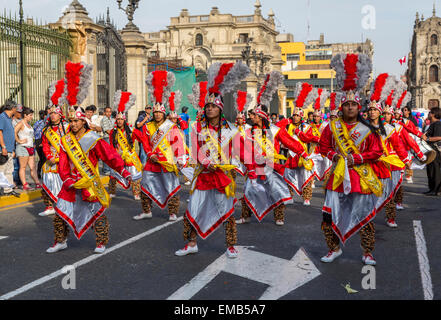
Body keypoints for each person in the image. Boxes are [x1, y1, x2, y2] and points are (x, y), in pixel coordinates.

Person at [47, 61, 131, 254]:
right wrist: (66, 179)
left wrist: (123, 171)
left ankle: (101, 242)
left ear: (84, 121)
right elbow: (62, 162)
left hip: (89, 182)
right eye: (71, 121)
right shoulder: (66, 140)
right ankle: (61, 241)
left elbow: (110, 156)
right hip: (70, 183)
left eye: (76, 120)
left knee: (97, 213)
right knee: (60, 213)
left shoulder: (93, 138)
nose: (74, 124)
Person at [175, 61, 249, 259]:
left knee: (227, 212)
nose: (209, 109)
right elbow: (195, 151)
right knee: (192, 211)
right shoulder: (197, 129)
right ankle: (191, 243)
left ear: (220, 109)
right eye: (207, 106)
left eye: (213, 106)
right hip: (203, 177)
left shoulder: (230, 131)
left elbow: (243, 151)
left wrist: (253, 164)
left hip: (222, 178)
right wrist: (201, 161)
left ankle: (231, 245)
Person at [320, 53, 383, 266]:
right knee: (329, 216)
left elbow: (377, 152)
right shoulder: (332, 127)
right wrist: (335, 155)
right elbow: (323, 147)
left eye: (353, 105)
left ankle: (367, 252)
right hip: (337, 177)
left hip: (361, 178)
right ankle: (334, 248)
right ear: (342, 107)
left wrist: (357, 158)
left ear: (359, 107)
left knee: (364, 216)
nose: (349, 108)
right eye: (346, 104)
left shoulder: (368, 129)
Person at [238, 72, 310, 226]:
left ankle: (279, 217)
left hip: (273, 167)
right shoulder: (249, 131)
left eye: (255, 116)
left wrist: (302, 152)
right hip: (255, 166)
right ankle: (246, 215)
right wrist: (249, 166)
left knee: (276, 191)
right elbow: (245, 150)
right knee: (249, 191)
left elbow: (289, 141)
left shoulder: (275, 130)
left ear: (261, 117)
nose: (252, 118)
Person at [135, 71, 187, 222]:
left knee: (171, 188)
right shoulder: (148, 126)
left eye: (159, 112)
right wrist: (150, 154)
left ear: (164, 113)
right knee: (145, 187)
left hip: (167, 162)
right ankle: (146, 210)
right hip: (152, 161)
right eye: (155, 112)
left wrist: (180, 160)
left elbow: (177, 144)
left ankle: (172, 213)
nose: (157, 114)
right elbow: (145, 142)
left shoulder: (170, 126)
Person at [283, 82, 320, 207]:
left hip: (303, 155)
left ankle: (307, 197)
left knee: (306, 177)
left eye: (297, 115)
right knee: (288, 176)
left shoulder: (306, 127)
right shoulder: (288, 126)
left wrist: (299, 133)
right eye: (293, 115)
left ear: (301, 116)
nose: (294, 117)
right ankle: (289, 196)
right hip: (291, 155)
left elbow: (309, 138)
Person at [40, 80, 70, 216]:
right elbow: (45, 145)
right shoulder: (46, 130)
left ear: (60, 114)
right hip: (50, 161)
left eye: (55, 113)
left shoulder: (68, 128)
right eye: (51, 113)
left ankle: (64, 205)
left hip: (64, 161)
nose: (52, 115)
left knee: (64, 185)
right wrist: (50, 157)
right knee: (46, 183)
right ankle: (49, 206)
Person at [108, 90, 142, 201]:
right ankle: (112, 191)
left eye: (121, 119)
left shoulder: (130, 131)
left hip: (129, 156)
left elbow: (141, 137)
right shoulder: (113, 132)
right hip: (118, 155)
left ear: (124, 120)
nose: (119, 121)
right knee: (113, 174)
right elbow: (111, 144)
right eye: (117, 119)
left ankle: (136, 193)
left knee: (135, 175)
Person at [14, 107, 41, 191]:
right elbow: (14, 131)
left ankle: (37, 183)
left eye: (32, 115)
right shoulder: (21, 123)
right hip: (22, 147)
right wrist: (19, 140)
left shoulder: (29, 124)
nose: (31, 117)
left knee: (33, 167)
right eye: (30, 115)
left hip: (30, 147)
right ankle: (25, 184)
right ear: (25, 115)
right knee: (23, 167)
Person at [0, 100, 19, 197]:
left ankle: (8, 189)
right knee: (2, 170)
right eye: (16, 108)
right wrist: (3, 147)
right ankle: (3, 190)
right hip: (4, 149)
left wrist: (12, 150)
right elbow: (0, 132)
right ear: (13, 108)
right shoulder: (2, 117)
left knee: (9, 170)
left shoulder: (8, 118)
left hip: (10, 150)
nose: (16, 110)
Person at [422, 107, 441, 196]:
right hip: (430, 150)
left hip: (435, 151)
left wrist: (427, 138)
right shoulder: (433, 124)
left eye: (430, 112)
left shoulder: (437, 124)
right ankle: (432, 188)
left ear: (433, 114)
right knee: (430, 170)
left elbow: (439, 137)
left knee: (435, 170)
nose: (428, 114)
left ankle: (436, 190)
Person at [100, 106, 115, 176]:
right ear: (104, 112)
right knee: (107, 154)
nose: (108, 113)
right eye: (107, 112)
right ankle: (106, 170)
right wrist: (114, 134)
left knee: (110, 154)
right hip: (106, 138)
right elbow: (108, 130)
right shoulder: (104, 119)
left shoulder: (110, 119)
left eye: (110, 112)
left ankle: (108, 168)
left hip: (110, 138)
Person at [34, 109, 47, 179]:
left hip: (36, 141)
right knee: (44, 158)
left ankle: (39, 172)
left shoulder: (36, 123)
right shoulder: (45, 123)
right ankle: (42, 172)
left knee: (41, 158)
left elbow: (34, 132)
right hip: (42, 140)